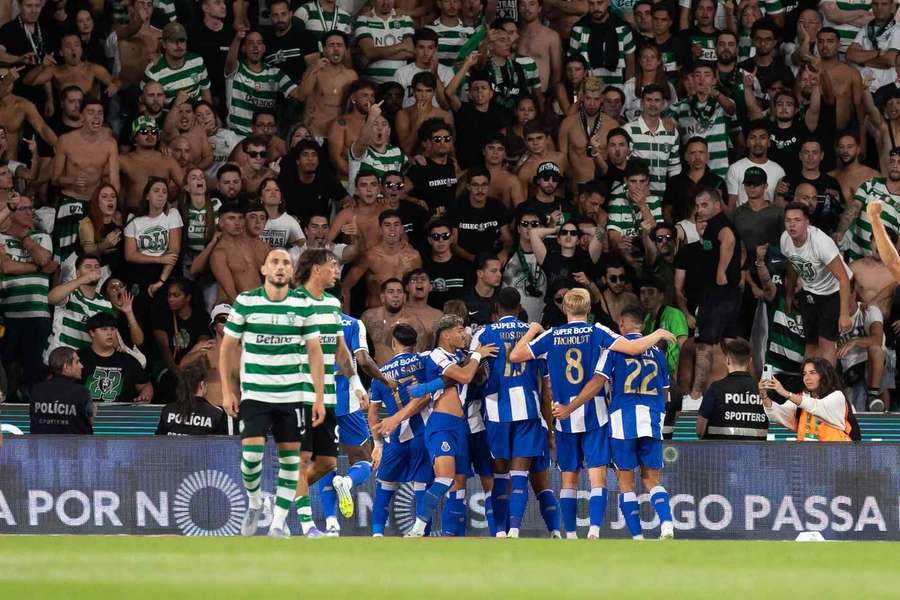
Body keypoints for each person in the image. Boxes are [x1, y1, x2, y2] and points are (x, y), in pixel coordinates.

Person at [511, 288, 675, 538]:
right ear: (588, 309)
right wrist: (658, 334)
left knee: (569, 479)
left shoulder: (552, 334)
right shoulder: (597, 331)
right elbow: (632, 348)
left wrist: (533, 330)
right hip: (596, 412)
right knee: (598, 478)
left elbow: (516, 355)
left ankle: (571, 535)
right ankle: (595, 530)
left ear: (564, 308)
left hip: (563, 414)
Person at [220, 248, 327, 538]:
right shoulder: (246, 301)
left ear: (292, 272)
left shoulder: (303, 305)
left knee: (291, 460)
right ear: (264, 269)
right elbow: (227, 347)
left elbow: (315, 353)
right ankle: (255, 503)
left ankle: (278, 524)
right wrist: (228, 390)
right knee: (251, 456)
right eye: (274, 262)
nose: (280, 267)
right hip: (255, 394)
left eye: (285, 263)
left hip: (292, 395)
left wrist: (318, 397)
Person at [565, 303, 674, 540]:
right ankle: (666, 525)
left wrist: (572, 406)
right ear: (643, 326)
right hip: (652, 420)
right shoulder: (658, 354)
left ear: (621, 325)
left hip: (622, 421)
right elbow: (666, 393)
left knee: (626, 482)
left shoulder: (614, 351)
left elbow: (596, 382)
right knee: (651, 478)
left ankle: (637, 537)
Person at [403, 314, 498, 537]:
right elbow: (464, 376)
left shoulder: (460, 356)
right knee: (445, 478)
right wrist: (476, 355)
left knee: (459, 487)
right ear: (446, 335)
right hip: (441, 424)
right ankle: (417, 529)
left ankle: (452, 538)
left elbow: (462, 377)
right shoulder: (437, 355)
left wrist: (427, 386)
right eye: (459, 330)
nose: (464, 334)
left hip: (460, 427)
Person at [294, 249, 367, 535]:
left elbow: (340, 350)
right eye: (333, 265)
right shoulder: (293, 302)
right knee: (300, 461)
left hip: (329, 398)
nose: (337, 271)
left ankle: (283, 500)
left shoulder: (332, 305)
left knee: (326, 463)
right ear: (316, 269)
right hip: (299, 395)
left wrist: (356, 385)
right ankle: (307, 525)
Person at [471, 288, 551, 538]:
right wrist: (549, 424)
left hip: (496, 411)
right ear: (519, 307)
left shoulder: (483, 333)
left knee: (499, 474)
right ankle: (515, 529)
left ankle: (500, 532)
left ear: (497, 308)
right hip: (528, 408)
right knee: (519, 473)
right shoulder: (535, 336)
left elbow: (473, 373)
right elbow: (546, 384)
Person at [320, 310, 395, 535]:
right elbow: (362, 359)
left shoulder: (305, 318)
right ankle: (348, 482)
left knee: (324, 462)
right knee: (363, 459)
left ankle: (331, 522)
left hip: (318, 402)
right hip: (348, 403)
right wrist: (383, 378)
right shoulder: (353, 324)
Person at [368, 323, 432, 536]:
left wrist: (377, 444)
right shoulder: (424, 361)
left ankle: (377, 535)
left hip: (394, 439)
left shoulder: (380, 374)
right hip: (423, 434)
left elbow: (373, 413)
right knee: (422, 487)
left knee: (385, 487)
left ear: (394, 343)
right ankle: (421, 536)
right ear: (416, 343)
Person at [781, 202, 853, 365]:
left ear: (807, 222)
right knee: (810, 343)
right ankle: (808, 386)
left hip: (833, 291)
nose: (792, 224)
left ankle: (827, 387)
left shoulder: (821, 243)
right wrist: (790, 295)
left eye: (797, 220)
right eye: (788, 220)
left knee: (826, 343)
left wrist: (844, 313)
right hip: (810, 290)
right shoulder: (785, 239)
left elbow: (843, 278)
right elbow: (792, 264)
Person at [0, 194, 57, 398]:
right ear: (11, 213)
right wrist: (37, 268)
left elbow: (43, 258)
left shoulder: (42, 237)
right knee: (6, 367)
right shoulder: (1, 238)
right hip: (8, 315)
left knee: (36, 370)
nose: (30, 212)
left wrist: (25, 238)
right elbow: (5, 266)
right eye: (24, 209)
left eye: (31, 208)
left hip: (38, 316)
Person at [50, 99, 117, 261]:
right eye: (91, 112)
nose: (96, 117)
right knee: (66, 258)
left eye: (100, 113)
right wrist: (71, 180)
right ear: (81, 117)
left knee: (96, 256)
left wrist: (112, 207)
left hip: (95, 204)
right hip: (70, 201)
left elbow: (115, 184)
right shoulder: (66, 140)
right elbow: (55, 180)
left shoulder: (110, 144)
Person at [690, 188, 741, 400]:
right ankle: (737, 393)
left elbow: (728, 240)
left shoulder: (719, 223)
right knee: (729, 343)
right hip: (729, 294)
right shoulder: (713, 225)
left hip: (717, 294)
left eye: (705, 205)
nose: (700, 209)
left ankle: (695, 396)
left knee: (704, 345)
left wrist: (721, 270)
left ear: (717, 205)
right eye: (698, 205)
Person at [341, 209, 422, 311]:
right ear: (380, 229)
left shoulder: (413, 257)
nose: (392, 229)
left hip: (405, 316)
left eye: (396, 225)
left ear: (402, 229)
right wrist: (346, 320)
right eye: (387, 225)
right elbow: (345, 287)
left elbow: (420, 289)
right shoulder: (370, 257)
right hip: (375, 316)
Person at [760, 357, 854, 442]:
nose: (807, 378)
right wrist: (764, 395)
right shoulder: (802, 397)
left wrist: (785, 393)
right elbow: (779, 413)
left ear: (824, 375)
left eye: (812, 373)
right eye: (805, 374)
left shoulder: (837, 396)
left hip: (834, 454)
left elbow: (816, 406)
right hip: (808, 455)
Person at [123, 177, 183, 302]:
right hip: (140, 271)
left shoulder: (172, 214)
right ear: (147, 196)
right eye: (156, 191)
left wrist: (161, 281)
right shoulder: (134, 219)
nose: (161, 194)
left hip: (164, 272)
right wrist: (159, 259)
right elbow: (130, 255)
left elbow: (173, 253)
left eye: (164, 192)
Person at [696, 338, 768, 440]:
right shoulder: (763, 391)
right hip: (754, 453)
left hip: (720, 453)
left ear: (727, 360)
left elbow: (699, 430)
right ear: (750, 361)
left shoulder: (716, 388)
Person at [45, 256, 113, 357]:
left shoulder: (106, 304)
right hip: (61, 360)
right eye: (88, 266)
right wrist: (82, 280)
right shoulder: (70, 293)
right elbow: (51, 298)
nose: (93, 269)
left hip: (85, 362)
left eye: (96, 266)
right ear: (77, 273)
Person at [79, 312, 152, 404]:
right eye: (104, 329)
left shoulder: (128, 360)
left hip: (120, 416)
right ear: (92, 333)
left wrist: (145, 395)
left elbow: (145, 385)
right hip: (85, 415)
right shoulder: (78, 358)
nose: (109, 333)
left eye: (113, 329)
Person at [296, 31, 358, 140]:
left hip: (337, 135)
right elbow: (302, 96)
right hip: (313, 133)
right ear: (324, 50)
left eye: (340, 45)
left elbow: (355, 108)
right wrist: (314, 69)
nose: (336, 49)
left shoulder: (352, 76)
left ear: (345, 50)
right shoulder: (313, 71)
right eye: (331, 45)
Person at [623, 84, 681, 198]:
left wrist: (674, 196)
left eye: (657, 100)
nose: (653, 104)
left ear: (663, 104)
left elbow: (675, 169)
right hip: (633, 197)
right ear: (641, 103)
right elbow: (623, 167)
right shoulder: (628, 130)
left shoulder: (672, 132)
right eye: (649, 100)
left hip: (662, 199)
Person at [447, 166, 512, 264]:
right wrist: (475, 259)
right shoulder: (457, 208)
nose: (480, 190)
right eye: (475, 185)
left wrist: (504, 252)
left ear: (489, 186)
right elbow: (453, 245)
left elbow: (508, 239)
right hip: (466, 261)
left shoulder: (497, 206)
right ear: (468, 187)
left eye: (484, 185)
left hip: (493, 261)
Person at [559, 76, 616, 186]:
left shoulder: (612, 125)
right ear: (582, 97)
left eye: (596, 99)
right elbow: (562, 160)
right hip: (577, 186)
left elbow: (616, 161)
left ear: (602, 99)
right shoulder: (568, 124)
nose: (592, 104)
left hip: (603, 187)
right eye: (588, 98)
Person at [118, 116, 183, 211]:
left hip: (161, 214)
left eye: (153, 132)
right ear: (135, 137)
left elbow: (186, 188)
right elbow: (110, 187)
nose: (150, 135)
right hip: (133, 214)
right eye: (144, 132)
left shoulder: (168, 161)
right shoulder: (123, 160)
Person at [142, 22, 213, 108]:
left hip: (197, 117)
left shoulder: (197, 61)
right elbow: (145, 106)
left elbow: (206, 94)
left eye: (182, 41)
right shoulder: (153, 72)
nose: (179, 45)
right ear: (164, 44)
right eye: (173, 41)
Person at [568, 0, 635, 88]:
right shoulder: (578, 29)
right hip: (588, 92)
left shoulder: (623, 28)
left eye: (600, 3)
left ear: (608, 2)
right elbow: (572, 63)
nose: (596, 8)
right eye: (591, 3)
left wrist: (627, 90)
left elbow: (631, 63)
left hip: (617, 91)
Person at [29, 347, 93, 435]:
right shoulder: (81, 393)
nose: (81, 366)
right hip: (75, 447)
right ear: (66, 367)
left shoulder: (37, 390)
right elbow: (90, 422)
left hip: (42, 447)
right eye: (77, 362)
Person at [156, 360, 229, 435]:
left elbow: (158, 443)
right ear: (202, 384)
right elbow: (222, 445)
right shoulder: (216, 414)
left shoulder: (167, 410)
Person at [725, 120, 785, 210]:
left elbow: (778, 207)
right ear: (747, 142)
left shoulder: (778, 171)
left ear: (769, 142)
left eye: (762, 138)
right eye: (753, 138)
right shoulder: (735, 169)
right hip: (741, 221)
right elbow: (731, 205)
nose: (757, 142)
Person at [353, 0, 416, 84]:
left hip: (399, 83)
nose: (386, 2)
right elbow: (369, 52)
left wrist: (374, 56)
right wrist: (401, 46)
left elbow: (409, 52)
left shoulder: (405, 19)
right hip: (372, 84)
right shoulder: (363, 20)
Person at [640, 277, 688, 380]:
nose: (646, 297)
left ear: (661, 295)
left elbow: (684, 346)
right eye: (643, 293)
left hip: (675, 375)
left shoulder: (674, 314)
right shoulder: (646, 320)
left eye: (651, 292)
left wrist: (679, 374)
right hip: (656, 375)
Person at [423, 218, 470, 309]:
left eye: (445, 236)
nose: (441, 240)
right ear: (429, 240)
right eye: (436, 236)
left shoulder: (465, 267)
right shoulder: (423, 268)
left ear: (451, 238)